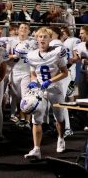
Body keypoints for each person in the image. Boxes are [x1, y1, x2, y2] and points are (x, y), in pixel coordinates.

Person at [24, 27, 68, 160]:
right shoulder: (31, 55)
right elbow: (33, 73)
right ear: (36, 38)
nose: (42, 39)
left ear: (50, 39)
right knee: (36, 119)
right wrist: (33, 81)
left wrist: (50, 80)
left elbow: (65, 72)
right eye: (40, 37)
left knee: (59, 118)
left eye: (45, 37)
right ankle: (36, 149)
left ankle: (61, 138)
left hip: (55, 88)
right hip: (40, 90)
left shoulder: (56, 52)